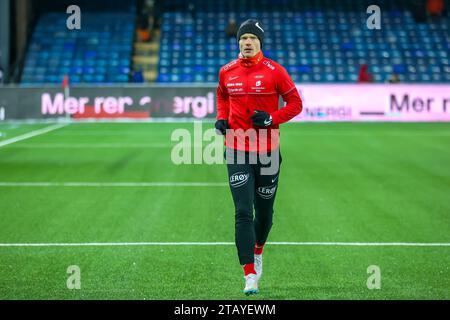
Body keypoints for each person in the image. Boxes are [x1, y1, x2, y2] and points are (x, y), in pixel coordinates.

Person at [215, 19, 303, 295]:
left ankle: (258, 250)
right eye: (243, 38)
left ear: (260, 42)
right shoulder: (226, 71)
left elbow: (296, 104)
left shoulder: (275, 71)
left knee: (264, 215)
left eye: (252, 38)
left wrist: (271, 119)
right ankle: (249, 274)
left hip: (267, 152)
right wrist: (220, 118)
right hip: (238, 148)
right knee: (243, 211)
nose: (247, 42)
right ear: (238, 42)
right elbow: (222, 97)